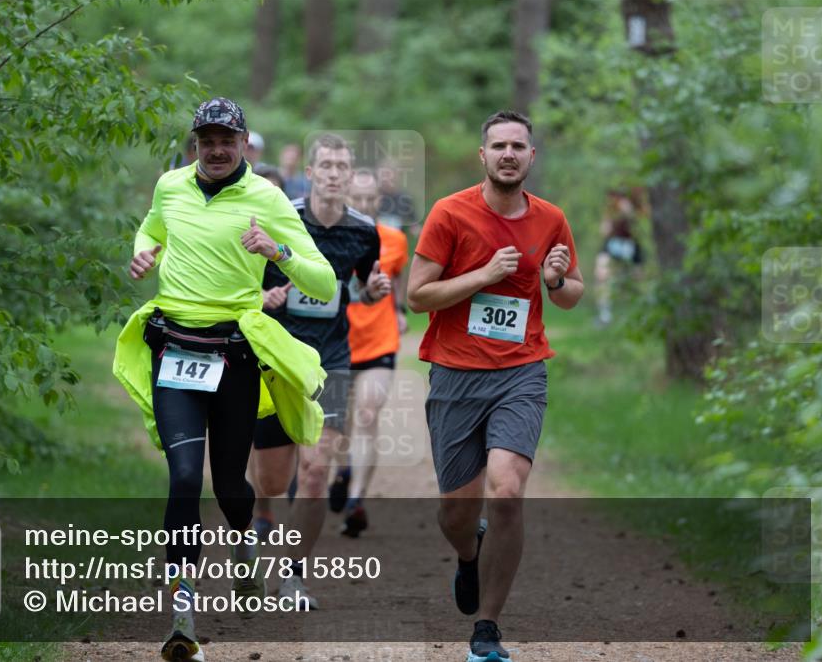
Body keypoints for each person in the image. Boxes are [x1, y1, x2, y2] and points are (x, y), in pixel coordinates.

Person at [117, 97, 336, 662]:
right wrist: (143, 253)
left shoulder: (266, 197)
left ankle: (243, 550)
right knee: (185, 475)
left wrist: (277, 249)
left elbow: (324, 281)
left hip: (234, 357)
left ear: (242, 143)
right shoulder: (171, 186)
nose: (215, 149)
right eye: (206, 139)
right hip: (175, 349)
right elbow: (150, 227)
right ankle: (181, 612)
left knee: (232, 485)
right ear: (195, 143)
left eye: (226, 139)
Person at [407, 110, 583, 662]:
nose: (509, 154)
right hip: (456, 372)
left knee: (507, 491)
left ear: (532, 157)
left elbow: (571, 292)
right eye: (499, 146)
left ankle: (487, 629)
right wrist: (482, 276)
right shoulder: (450, 213)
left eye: (519, 146)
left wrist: (556, 279)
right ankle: (467, 554)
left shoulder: (551, 219)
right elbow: (417, 296)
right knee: (457, 513)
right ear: (482, 156)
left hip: (521, 372)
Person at [250, 134, 391, 609]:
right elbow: (240, 277)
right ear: (309, 173)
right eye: (326, 165)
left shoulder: (363, 230)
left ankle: (291, 578)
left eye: (342, 166)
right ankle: (258, 517)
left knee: (315, 472)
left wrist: (374, 289)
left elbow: (364, 289)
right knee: (272, 478)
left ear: (351, 177)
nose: (334, 173)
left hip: (330, 360)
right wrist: (261, 299)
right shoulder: (279, 215)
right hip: (276, 356)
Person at [328, 168, 409, 537]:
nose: (362, 205)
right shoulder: (328, 237)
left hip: (380, 340)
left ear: (380, 200)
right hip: (337, 341)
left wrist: (400, 309)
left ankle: (356, 501)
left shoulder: (394, 239)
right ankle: (343, 470)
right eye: (356, 198)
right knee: (339, 425)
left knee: (366, 415)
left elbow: (399, 277)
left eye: (369, 199)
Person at [594, 189, 644, 325]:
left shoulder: (632, 205)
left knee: (636, 280)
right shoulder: (610, 210)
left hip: (630, 246)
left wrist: (628, 212)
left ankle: (638, 315)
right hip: (613, 245)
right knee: (602, 275)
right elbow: (604, 231)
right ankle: (605, 316)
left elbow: (638, 227)